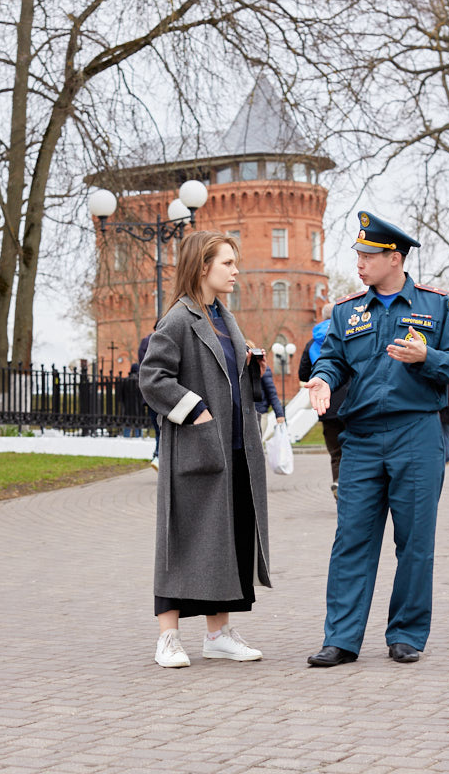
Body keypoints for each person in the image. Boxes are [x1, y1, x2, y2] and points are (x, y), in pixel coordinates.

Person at [305, 210, 449, 667]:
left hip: (415, 434)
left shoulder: (435, 306)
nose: (359, 263)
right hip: (361, 438)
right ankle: (341, 639)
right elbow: (333, 359)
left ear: (394, 258)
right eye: (358, 254)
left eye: (368, 256)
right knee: (351, 540)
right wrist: (322, 377)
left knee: (414, 542)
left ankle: (406, 634)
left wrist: (427, 357)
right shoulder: (347, 311)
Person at [139, 230, 272, 668]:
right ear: (202, 266)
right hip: (195, 450)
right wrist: (194, 410)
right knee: (180, 539)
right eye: (227, 263)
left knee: (227, 541)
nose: (236, 271)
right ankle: (168, 638)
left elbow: (226, 377)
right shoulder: (178, 318)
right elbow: (152, 378)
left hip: (233, 451)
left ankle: (218, 634)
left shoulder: (224, 318)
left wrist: (249, 366)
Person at [298, 302, 348, 496]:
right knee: (353, 448)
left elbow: (303, 373)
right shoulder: (348, 335)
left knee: (335, 452)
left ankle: (338, 483)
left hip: (325, 404)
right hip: (350, 401)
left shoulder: (312, 342)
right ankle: (352, 488)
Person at [246, 339, 285, 438]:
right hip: (244, 413)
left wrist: (279, 414)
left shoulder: (263, 368)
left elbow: (272, 392)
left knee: (257, 442)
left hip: (260, 413)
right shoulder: (239, 370)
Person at [137, 334, 160, 470]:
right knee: (163, 430)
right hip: (162, 394)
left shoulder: (145, 342)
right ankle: (158, 456)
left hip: (149, 396)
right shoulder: (161, 337)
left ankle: (157, 456)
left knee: (158, 430)